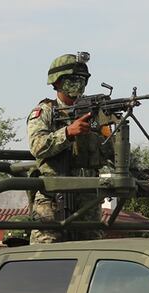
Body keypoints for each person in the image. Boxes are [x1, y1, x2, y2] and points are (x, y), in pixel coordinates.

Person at [27, 52, 108, 244]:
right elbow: (37, 146)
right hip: (53, 196)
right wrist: (67, 133)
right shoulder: (44, 111)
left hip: (88, 201)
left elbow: (111, 149)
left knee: (90, 256)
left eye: (81, 80)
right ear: (56, 82)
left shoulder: (95, 112)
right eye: (71, 80)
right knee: (46, 255)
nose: (77, 84)